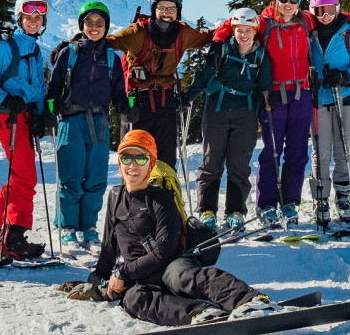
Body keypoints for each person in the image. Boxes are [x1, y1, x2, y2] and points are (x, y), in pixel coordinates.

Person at [86, 130, 281, 326]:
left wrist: (123, 273)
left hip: (170, 266)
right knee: (133, 299)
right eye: (126, 158)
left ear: (151, 164)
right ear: (120, 164)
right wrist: (97, 278)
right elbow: (109, 246)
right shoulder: (115, 196)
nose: (133, 165)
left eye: (141, 158)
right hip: (140, 278)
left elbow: (164, 252)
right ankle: (202, 314)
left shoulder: (162, 200)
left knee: (184, 278)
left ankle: (250, 300)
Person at [212, 0, 315, 226]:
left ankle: (290, 202)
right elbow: (233, 24)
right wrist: (217, 40)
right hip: (273, 95)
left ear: (299, 1)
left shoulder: (306, 21)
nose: (288, 4)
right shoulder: (264, 21)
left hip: (302, 93)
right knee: (272, 150)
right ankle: (267, 204)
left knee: (298, 151)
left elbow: (331, 16)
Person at [0, 0, 55, 259]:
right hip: (8, 118)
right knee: (25, 178)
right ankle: (14, 239)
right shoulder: (6, 47)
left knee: (19, 177)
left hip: (26, 119)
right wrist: (7, 99)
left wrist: (41, 115)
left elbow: (39, 87)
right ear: (20, 17)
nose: (34, 21)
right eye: (29, 17)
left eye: (38, 17)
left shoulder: (34, 49)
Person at [46, 0, 130, 250]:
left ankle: (89, 227)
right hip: (71, 120)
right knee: (71, 177)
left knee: (95, 178)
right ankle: (68, 227)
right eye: (89, 23)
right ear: (82, 25)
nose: (94, 27)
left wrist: (127, 107)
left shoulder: (112, 57)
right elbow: (54, 86)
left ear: (106, 26)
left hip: (100, 122)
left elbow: (118, 91)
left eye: (100, 23)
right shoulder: (69, 52)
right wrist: (51, 107)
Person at [107, 0, 214, 169]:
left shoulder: (183, 33)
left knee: (165, 162)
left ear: (178, 11)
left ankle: (165, 196)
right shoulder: (138, 32)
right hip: (137, 103)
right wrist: (72, 45)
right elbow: (109, 42)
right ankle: (135, 197)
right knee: (135, 160)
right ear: (153, 9)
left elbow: (206, 38)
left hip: (166, 103)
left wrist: (235, 27)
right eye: (162, 8)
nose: (167, 13)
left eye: (171, 8)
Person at [183, 8, 271, 231]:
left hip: (246, 112)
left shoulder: (260, 56)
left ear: (255, 31)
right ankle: (207, 210)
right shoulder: (222, 50)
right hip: (218, 109)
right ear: (233, 30)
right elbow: (205, 75)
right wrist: (187, 97)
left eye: (248, 30)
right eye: (239, 30)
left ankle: (235, 211)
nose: (243, 35)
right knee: (212, 161)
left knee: (239, 164)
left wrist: (269, 108)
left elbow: (265, 86)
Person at [307, 0, 350, 229]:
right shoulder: (308, 33)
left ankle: (343, 194)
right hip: (319, 95)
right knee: (320, 150)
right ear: (313, 12)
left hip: (347, 94)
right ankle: (320, 198)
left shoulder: (349, 33)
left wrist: (345, 75)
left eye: (330, 11)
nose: (325, 16)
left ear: (337, 9)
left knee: (344, 148)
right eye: (320, 11)